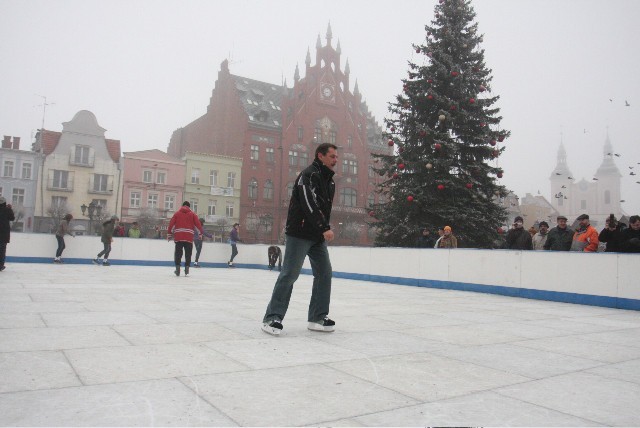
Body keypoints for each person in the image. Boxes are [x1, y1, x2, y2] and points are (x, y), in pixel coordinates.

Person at [262, 143, 338, 336]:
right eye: (332, 156)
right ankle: (272, 317)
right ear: (320, 156)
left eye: (336, 157)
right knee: (289, 274)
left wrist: (321, 229)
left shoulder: (330, 182)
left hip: (316, 237)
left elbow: (323, 208)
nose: (335, 159)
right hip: (299, 233)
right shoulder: (308, 175)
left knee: (325, 273)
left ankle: (317, 317)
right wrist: (324, 227)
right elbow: (308, 203)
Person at [167, 201, 204, 276]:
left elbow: (171, 224)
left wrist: (169, 234)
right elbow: (198, 224)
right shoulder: (193, 214)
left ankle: (177, 269)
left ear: (182, 205)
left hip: (178, 236)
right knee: (188, 253)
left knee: (178, 253)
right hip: (189, 237)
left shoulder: (177, 213)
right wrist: (200, 234)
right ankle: (187, 268)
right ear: (189, 206)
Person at [0, 196, 15, 272]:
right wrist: (10, 209)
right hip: (4, 234)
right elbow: (12, 218)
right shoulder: (7, 210)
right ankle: (1, 265)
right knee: (2, 250)